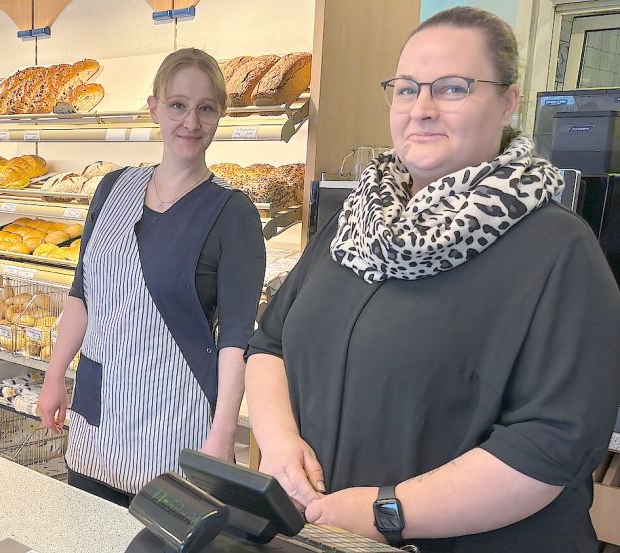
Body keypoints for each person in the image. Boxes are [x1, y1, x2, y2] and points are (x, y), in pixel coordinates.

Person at [244, 7, 620, 552]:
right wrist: (278, 445)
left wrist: (385, 512)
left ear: (508, 101)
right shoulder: (353, 225)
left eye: (451, 88)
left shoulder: (559, 250)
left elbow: (551, 443)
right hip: (325, 536)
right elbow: (269, 343)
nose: (420, 109)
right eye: (405, 89)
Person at [37, 48, 266, 506]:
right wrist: (55, 374)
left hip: (176, 422)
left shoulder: (232, 213)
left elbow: (236, 342)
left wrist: (222, 434)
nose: (191, 122)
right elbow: (83, 294)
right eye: (178, 105)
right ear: (154, 108)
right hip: (98, 419)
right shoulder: (112, 188)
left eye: (206, 108)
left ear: (220, 115)